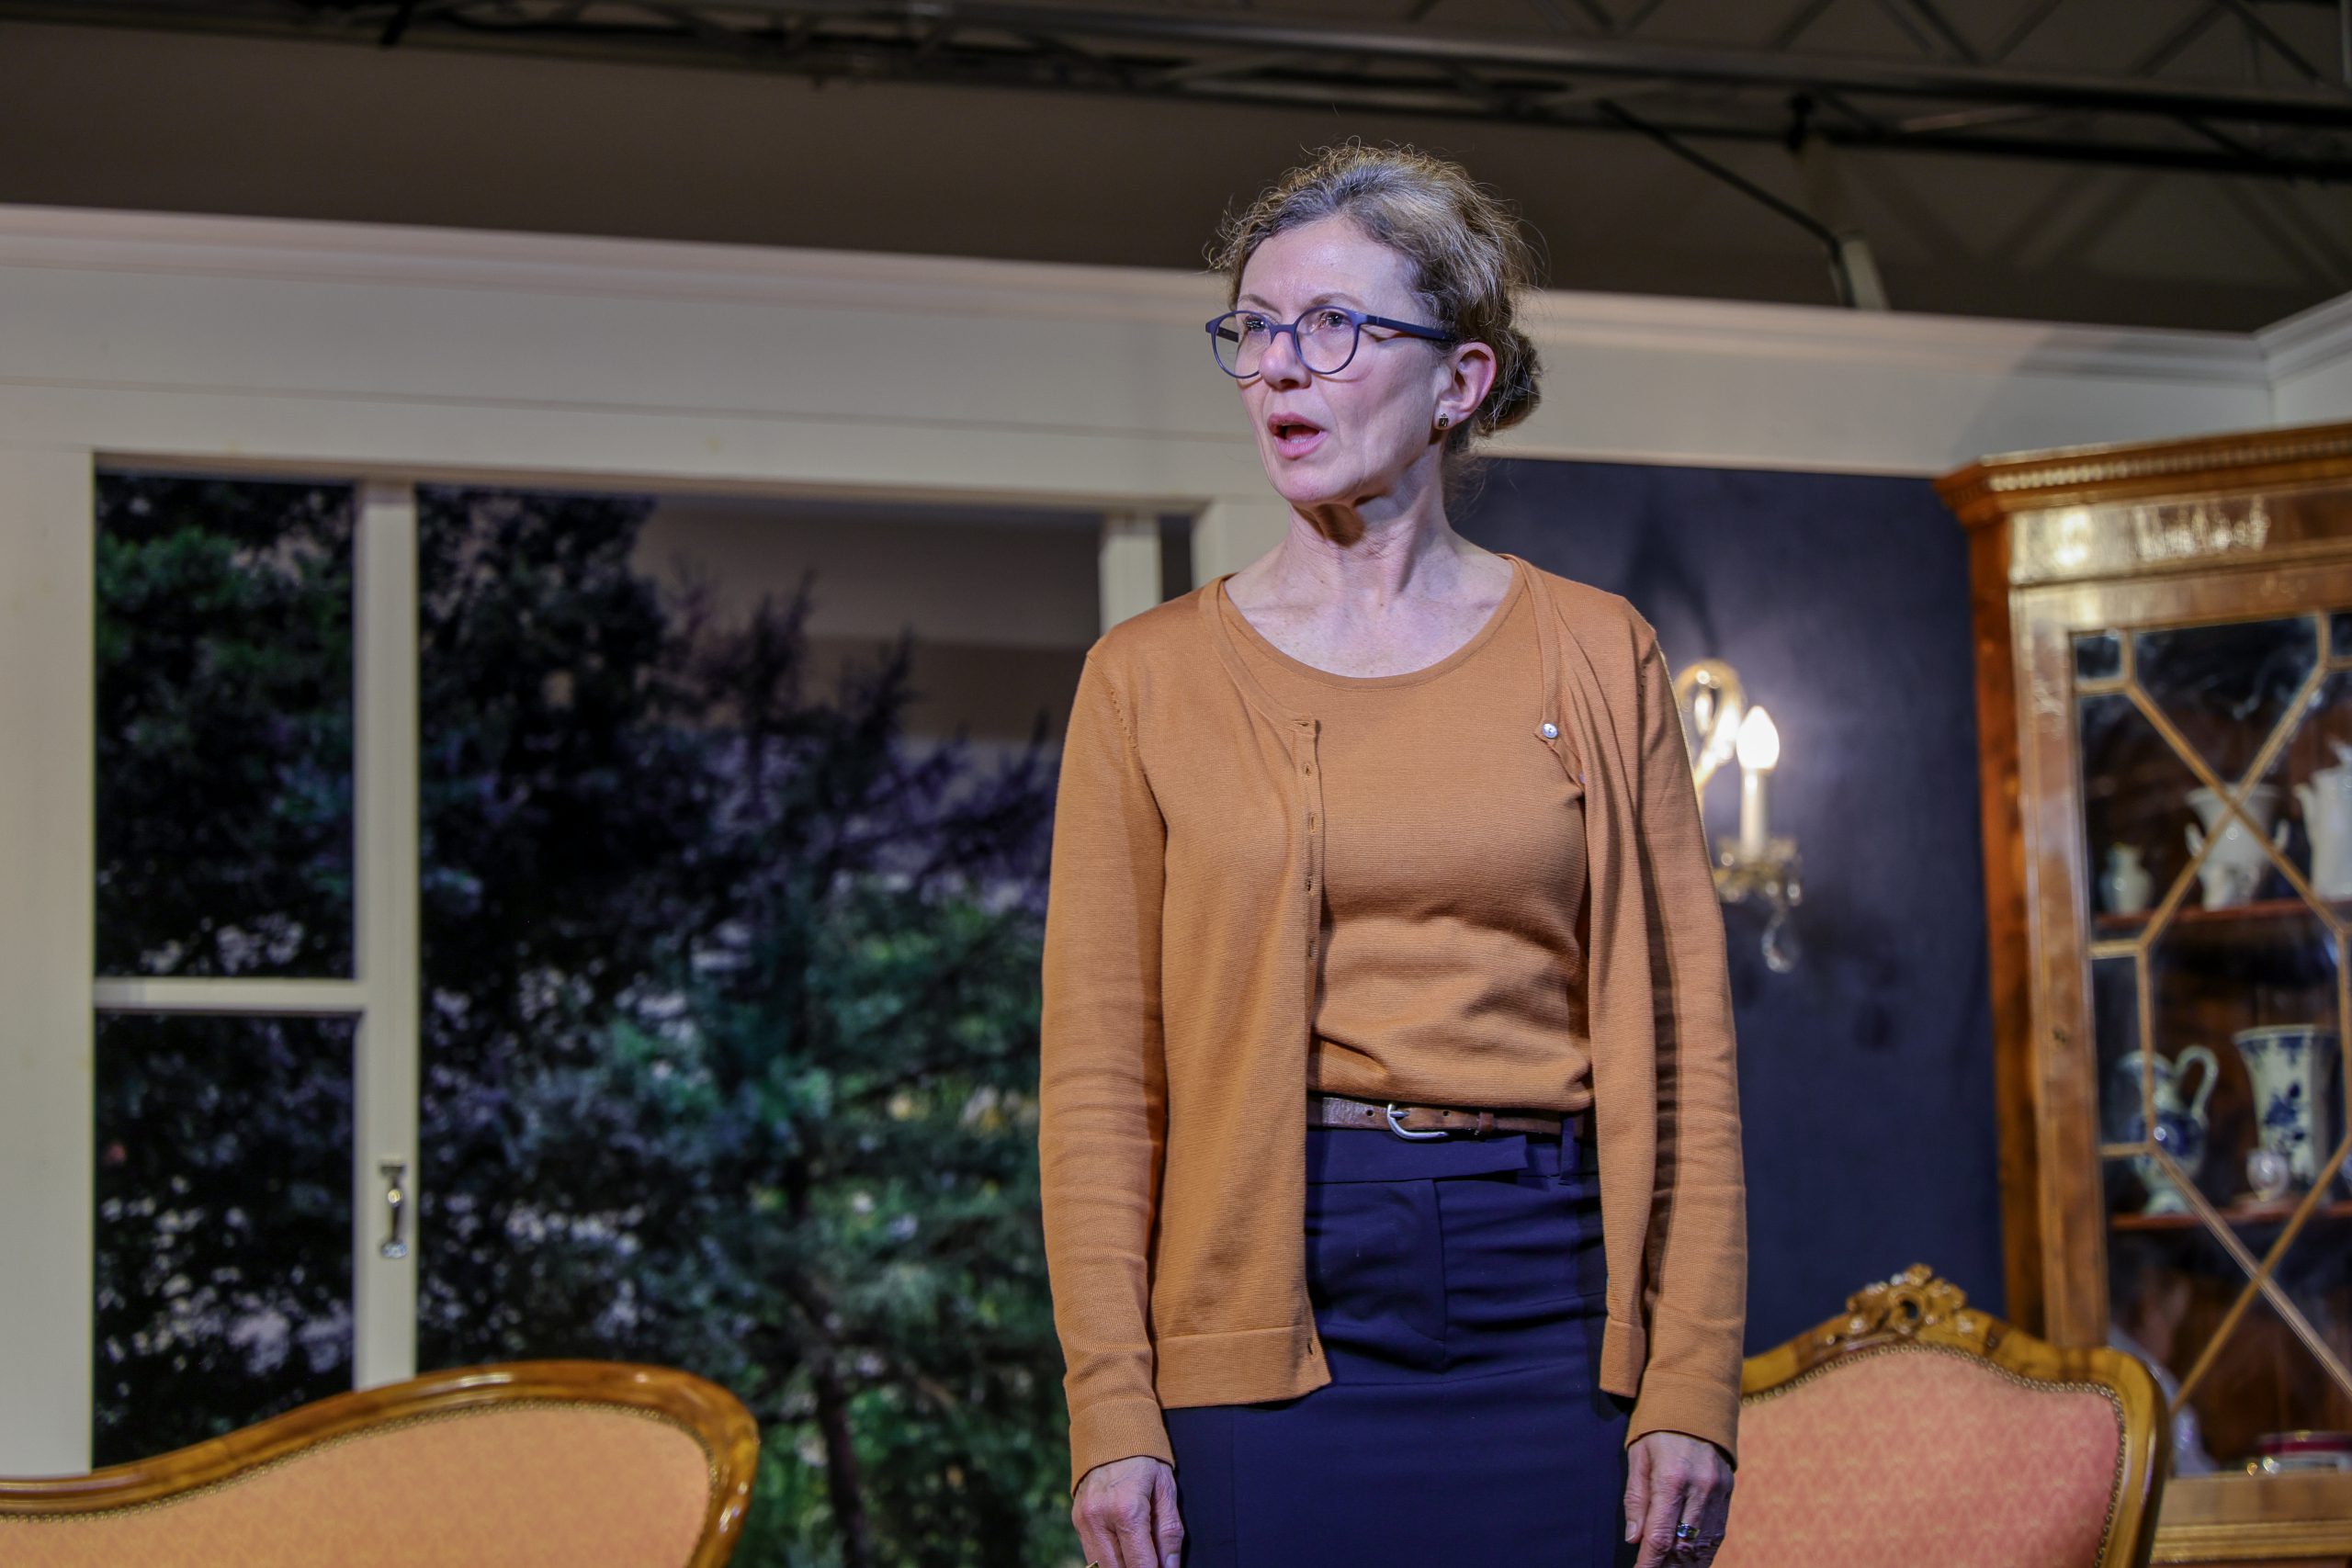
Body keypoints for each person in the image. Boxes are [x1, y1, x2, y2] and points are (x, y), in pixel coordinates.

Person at [1037, 142, 1747, 1568]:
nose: (1277, 370)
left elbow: (1687, 1056)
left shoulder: (1599, 652)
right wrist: (1109, 1405)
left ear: (1458, 382)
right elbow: (1101, 1081)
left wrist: (1692, 1378)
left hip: (1553, 1290)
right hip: (1268, 1289)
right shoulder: (1147, 679)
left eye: (1331, 327)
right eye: (1254, 330)